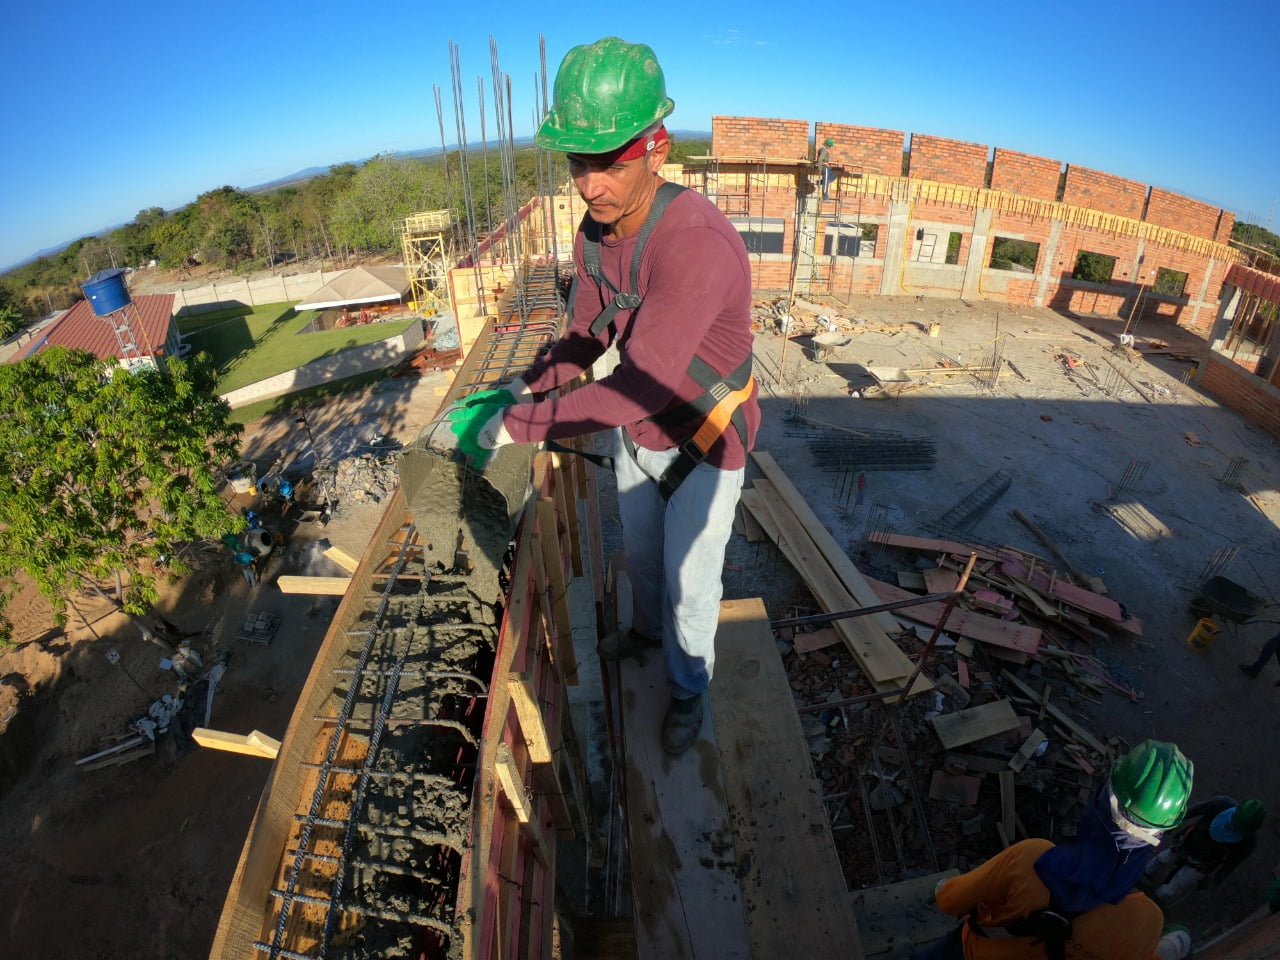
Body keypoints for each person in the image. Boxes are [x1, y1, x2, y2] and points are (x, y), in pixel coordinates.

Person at [446, 36, 759, 756]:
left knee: (692, 593)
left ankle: (688, 694)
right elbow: (585, 337)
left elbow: (634, 384)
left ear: (656, 148)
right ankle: (645, 636)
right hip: (642, 439)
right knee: (642, 561)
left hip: (709, 445)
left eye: (609, 161)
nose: (591, 184)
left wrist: (513, 427)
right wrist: (518, 386)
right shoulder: (594, 235)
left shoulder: (694, 243)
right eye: (578, 162)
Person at [917, 739, 1193, 960]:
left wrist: (943, 888)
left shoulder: (1031, 858)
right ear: (1159, 835)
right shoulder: (1146, 923)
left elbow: (949, 902)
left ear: (1102, 800)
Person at [1144, 796, 1265, 904]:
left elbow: (1232, 862)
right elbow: (1192, 811)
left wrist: (1216, 879)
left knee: (1175, 886)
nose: (1232, 827)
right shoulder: (1221, 804)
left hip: (1205, 863)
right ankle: (1145, 873)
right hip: (1188, 842)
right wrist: (1173, 823)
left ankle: (1152, 901)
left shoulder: (1247, 843)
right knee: (1164, 859)